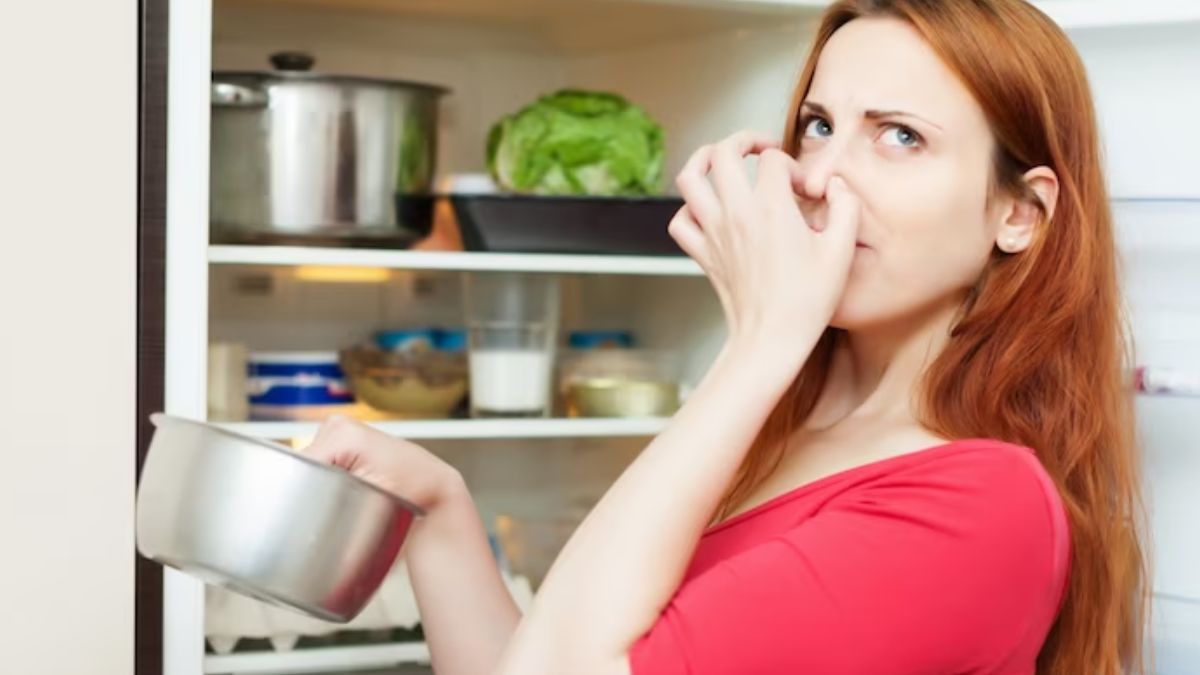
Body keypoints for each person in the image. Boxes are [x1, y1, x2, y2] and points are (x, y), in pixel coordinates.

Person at [305, 0, 1148, 672]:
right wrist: (440, 510)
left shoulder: (979, 507)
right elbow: (557, 655)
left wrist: (762, 342)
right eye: (819, 125)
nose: (818, 179)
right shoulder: (786, 431)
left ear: (1020, 214)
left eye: (900, 137)